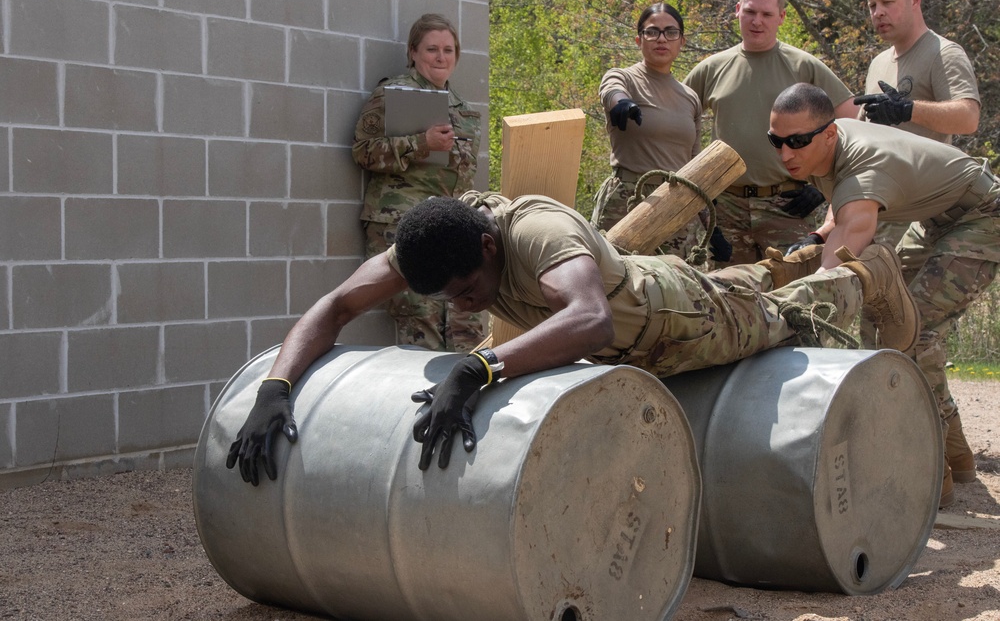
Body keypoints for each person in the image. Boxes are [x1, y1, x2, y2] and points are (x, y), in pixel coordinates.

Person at [226, 189, 919, 485]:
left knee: (785, 316)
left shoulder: (537, 232)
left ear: (493, 245)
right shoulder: (432, 243)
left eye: (470, 287)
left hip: (679, 325)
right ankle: (788, 261)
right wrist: (276, 387)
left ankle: (867, 272)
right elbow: (335, 304)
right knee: (749, 282)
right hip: (641, 307)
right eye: (448, 295)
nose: (465, 301)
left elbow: (590, 319)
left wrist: (479, 366)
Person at [769, 83, 1000, 507]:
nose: (785, 154)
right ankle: (957, 454)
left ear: (829, 134)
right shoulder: (824, 145)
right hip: (937, 217)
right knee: (881, 318)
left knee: (915, 330)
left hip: (983, 213)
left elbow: (841, 254)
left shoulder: (861, 166)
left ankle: (931, 469)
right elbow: (842, 206)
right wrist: (816, 233)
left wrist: (794, 306)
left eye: (796, 142)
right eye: (776, 141)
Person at [683, 0, 857, 265]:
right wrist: (699, 187)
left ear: (782, 17)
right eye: (750, 12)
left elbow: (852, 120)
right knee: (731, 298)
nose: (757, 21)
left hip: (787, 206)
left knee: (792, 296)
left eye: (767, 14)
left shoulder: (803, 66)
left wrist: (822, 185)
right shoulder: (711, 69)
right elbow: (677, 121)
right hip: (726, 207)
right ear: (737, 10)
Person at [352, 13, 484, 353]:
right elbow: (363, 152)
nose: (441, 57)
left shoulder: (464, 111)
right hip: (403, 228)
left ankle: (463, 398)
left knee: (465, 321)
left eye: (448, 50)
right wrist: (420, 143)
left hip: (450, 232)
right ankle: (422, 404)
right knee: (420, 319)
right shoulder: (392, 96)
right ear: (413, 52)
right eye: (431, 49)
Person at [854, 0, 981, 254]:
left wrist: (908, 110)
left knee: (909, 299)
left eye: (887, 2)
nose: (878, 12)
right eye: (872, 5)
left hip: (921, 216)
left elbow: (968, 117)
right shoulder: (878, 63)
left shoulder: (942, 53)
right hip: (877, 211)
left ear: (915, 0)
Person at [595, 2, 727, 262]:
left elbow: (694, 165)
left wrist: (711, 224)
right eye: (652, 32)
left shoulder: (690, 97)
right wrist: (621, 102)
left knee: (679, 288)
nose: (661, 39)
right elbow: (610, 90)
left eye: (670, 32)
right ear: (638, 39)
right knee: (617, 284)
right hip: (629, 199)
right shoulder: (624, 78)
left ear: (682, 41)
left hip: (677, 203)